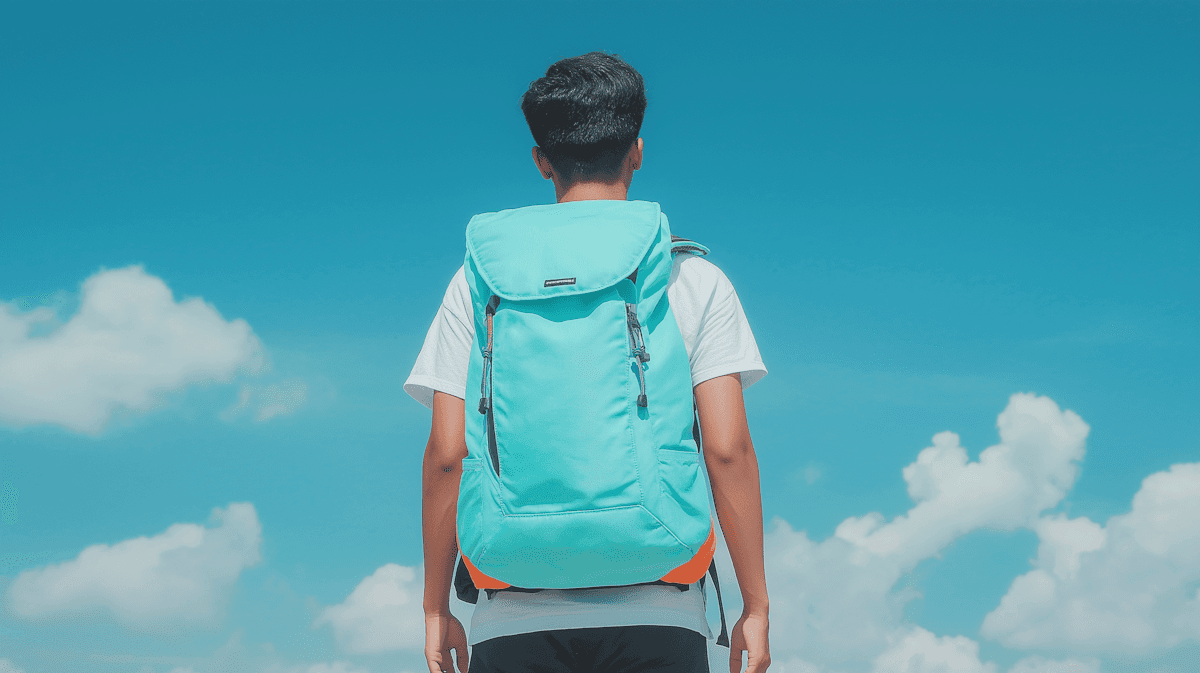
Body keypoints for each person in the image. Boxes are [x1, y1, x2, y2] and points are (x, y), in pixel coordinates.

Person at [405, 52, 771, 673]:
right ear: (637, 151)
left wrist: (436, 608)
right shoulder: (691, 279)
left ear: (541, 160)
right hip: (661, 608)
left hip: (511, 611)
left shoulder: (477, 284)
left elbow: (447, 453)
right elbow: (727, 448)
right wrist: (755, 605)